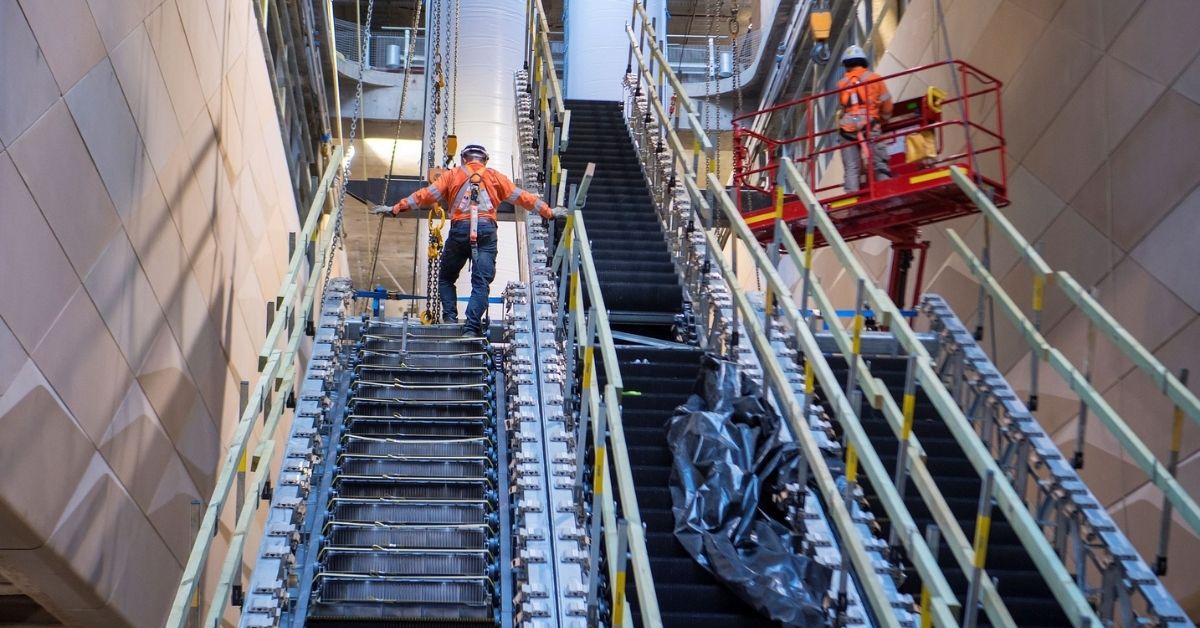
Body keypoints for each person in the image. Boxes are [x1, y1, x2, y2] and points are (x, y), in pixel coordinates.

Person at [372, 144, 565, 336]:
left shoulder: (451, 175)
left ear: (464, 159)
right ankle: (471, 329)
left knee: (446, 279)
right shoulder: (495, 177)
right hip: (487, 232)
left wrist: (396, 208)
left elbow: (425, 196)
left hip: (460, 232)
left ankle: (450, 320)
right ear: (485, 161)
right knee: (481, 284)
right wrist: (549, 212)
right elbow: (524, 198)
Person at [836, 45, 894, 192]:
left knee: (851, 168)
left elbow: (844, 108)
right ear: (864, 62)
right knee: (879, 163)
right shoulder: (875, 79)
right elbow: (887, 107)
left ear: (846, 65)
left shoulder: (842, 84)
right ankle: (887, 193)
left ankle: (851, 201)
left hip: (846, 130)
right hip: (870, 124)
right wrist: (883, 120)